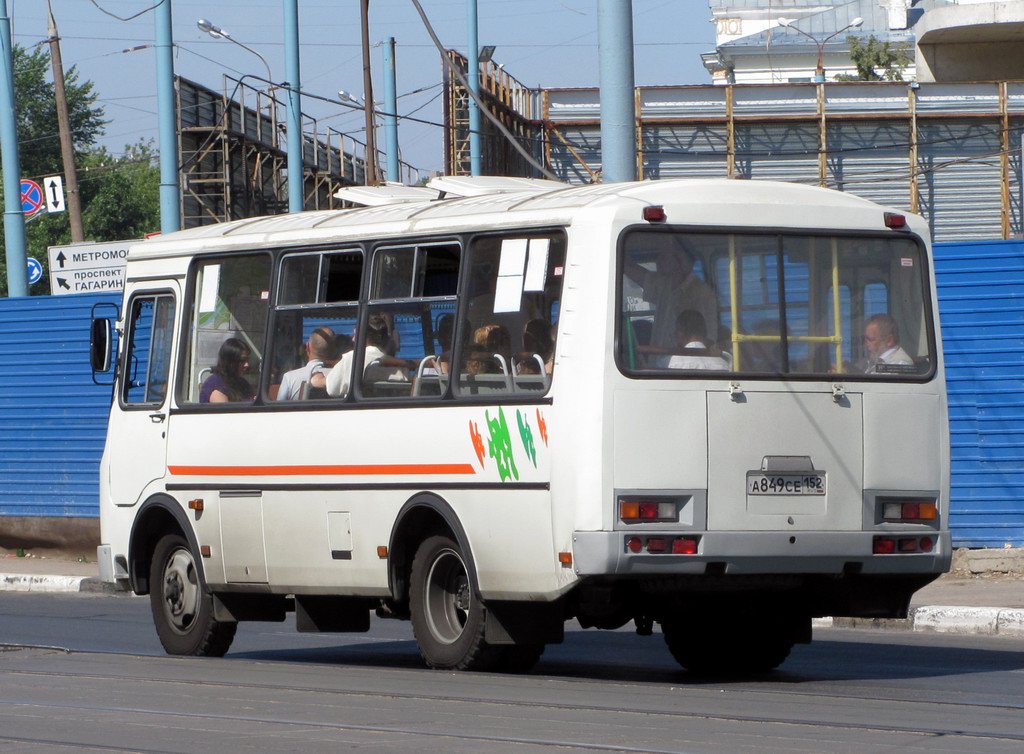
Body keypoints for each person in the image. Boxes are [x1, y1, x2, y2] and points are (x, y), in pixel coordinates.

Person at [624, 236, 719, 353]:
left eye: (663, 257)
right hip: (656, 367)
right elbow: (630, 269)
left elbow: (709, 341)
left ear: (680, 259)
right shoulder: (663, 285)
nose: (657, 261)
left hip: (683, 368)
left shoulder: (704, 294)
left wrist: (663, 353)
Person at [325, 313, 410, 398]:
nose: (353, 339)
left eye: (355, 335)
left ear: (363, 338)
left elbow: (332, 389)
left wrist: (318, 378)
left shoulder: (351, 359)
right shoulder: (402, 369)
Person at [276, 327, 337, 401]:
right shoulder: (338, 376)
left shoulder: (289, 378)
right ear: (333, 351)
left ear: (308, 347)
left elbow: (279, 408)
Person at [661, 310, 729, 371]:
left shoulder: (667, 364)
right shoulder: (723, 364)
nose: (675, 334)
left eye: (676, 331)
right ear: (704, 332)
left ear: (680, 332)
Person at [200, 337, 255, 403]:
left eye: (247, 360)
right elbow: (224, 412)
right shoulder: (217, 386)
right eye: (242, 360)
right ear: (230, 361)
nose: (247, 365)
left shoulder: (243, 383)